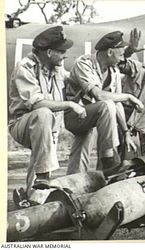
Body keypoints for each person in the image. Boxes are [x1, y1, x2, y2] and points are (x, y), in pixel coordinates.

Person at [8, 26, 86, 194]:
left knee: (40, 159)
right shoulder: (25, 67)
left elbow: (73, 81)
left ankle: (31, 197)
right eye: (62, 51)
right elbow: (37, 105)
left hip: (48, 127)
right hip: (22, 124)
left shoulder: (57, 68)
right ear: (49, 52)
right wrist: (69, 104)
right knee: (43, 114)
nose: (65, 55)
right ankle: (43, 176)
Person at [64, 30, 144, 176]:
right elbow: (99, 95)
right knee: (106, 106)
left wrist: (126, 132)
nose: (122, 60)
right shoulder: (84, 63)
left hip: (94, 114)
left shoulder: (113, 71)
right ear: (109, 52)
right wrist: (128, 96)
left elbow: (116, 103)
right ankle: (108, 159)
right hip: (74, 115)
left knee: (81, 152)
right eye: (120, 55)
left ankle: (80, 183)